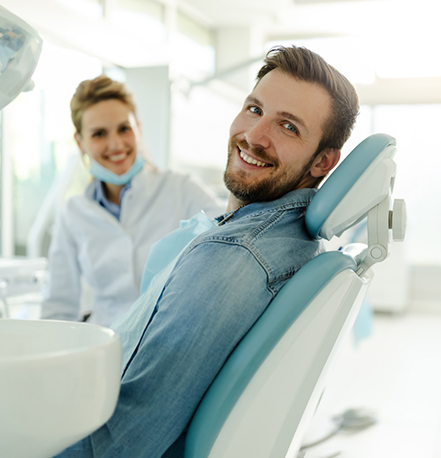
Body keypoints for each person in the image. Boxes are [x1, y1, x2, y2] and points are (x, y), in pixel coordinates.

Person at [55, 45, 359, 457]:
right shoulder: (273, 239)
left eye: (288, 126)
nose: (254, 136)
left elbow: (121, 442)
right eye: (254, 109)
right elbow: (60, 304)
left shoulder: (234, 253)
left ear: (324, 161)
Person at [41, 75, 224, 327]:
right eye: (99, 134)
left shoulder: (182, 189)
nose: (115, 144)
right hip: (103, 345)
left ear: (138, 127)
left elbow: (230, 235)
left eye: (123, 128)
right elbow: (58, 307)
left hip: (167, 334)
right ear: (80, 141)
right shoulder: (73, 213)